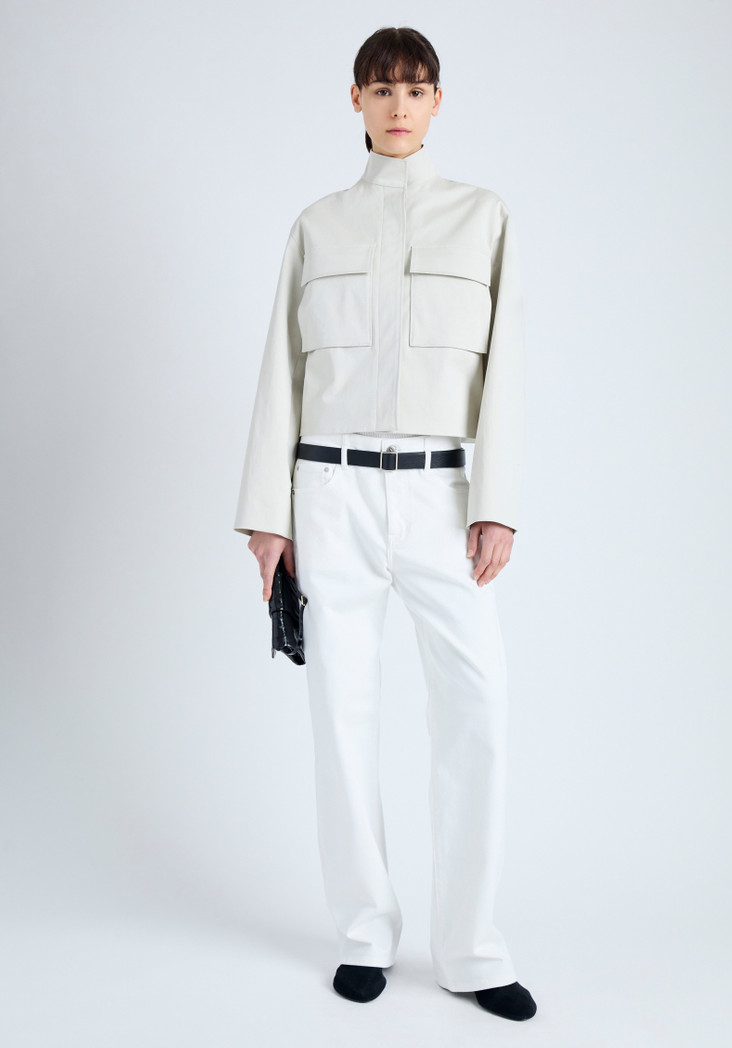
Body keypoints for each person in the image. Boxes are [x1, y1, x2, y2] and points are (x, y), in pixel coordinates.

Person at [233, 26, 536, 1022]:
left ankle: (471, 948)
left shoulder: (482, 217)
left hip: (442, 496)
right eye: (381, 88)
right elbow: (280, 369)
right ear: (355, 100)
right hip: (330, 493)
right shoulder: (316, 225)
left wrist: (496, 503)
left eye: (415, 88)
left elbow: (507, 367)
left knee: (478, 709)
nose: (398, 105)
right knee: (341, 714)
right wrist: (268, 518)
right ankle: (364, 931)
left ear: (437, 101)